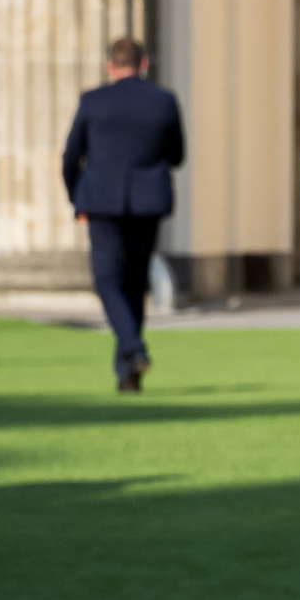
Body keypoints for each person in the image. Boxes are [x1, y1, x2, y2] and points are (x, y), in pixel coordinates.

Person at [60, 38, 184, 393]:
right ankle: (128, 372)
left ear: (109, 66)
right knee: (134, 282)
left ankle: (133, 348)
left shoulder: (93, 101)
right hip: (148, 202)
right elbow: (177, 154)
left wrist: (77, 198)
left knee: (107, 281)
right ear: (144, 65)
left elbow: (70, 156)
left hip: (102, 202)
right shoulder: (164, 101)